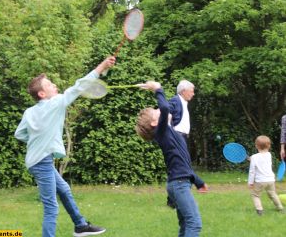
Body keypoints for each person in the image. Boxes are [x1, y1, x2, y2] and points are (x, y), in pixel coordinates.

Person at [14, 56, 116, 237]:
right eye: (50, 84)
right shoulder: (55, 103)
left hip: (38, 160)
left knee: (64, 189)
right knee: (51, 207)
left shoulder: (29, 112)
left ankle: (80, 225)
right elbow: (79, 85)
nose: (54, 85)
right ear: (42, 94)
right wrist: (102, 66)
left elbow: (19, 134)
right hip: (41, 162)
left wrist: (38, 140)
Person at [135, 81, 202, 237]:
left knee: (186, 223)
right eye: (156, 111)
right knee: (194, 223)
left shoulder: (171, 133)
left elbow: (182, 162)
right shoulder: (162, 131)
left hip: (178, 182)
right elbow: (165, 107)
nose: (161, 109)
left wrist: (197, 181)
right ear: (154, 123)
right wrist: (157, 89)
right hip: (179, 185)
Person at [169, 80, 208, 193]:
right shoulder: (175, 100)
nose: (193, 93)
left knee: (180, 164)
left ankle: (177, 194)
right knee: (182, 164)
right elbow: (166, 113)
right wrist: (172, 132)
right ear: (184, 91)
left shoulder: (183, 103)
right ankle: (191, 187)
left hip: (182, 138)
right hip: (177, 137)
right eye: (191, 91)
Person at [248, 135, 284, 216]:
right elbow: (261, 160)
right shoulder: (269, 155)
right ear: (269, 146)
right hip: (270, 180)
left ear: (256, 145)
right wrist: (252, 159)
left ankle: (259, 210)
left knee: (255, 195)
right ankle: (280, 207)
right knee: (273, 194)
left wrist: (250, 182)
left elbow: (252, 171)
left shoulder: (254, 157)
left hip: (260, 181)